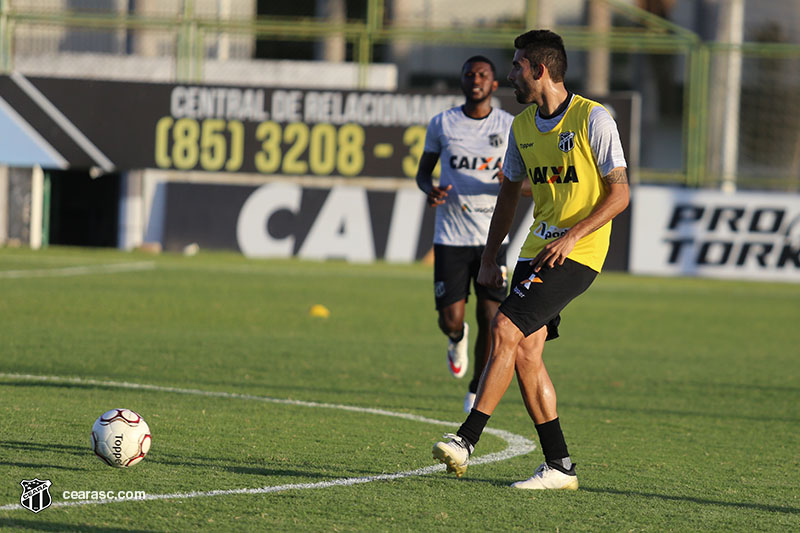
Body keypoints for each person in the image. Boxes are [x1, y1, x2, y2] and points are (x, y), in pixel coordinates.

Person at [432, 29, 630, 490]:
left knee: (504, 328)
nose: (509, 74)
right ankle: (559, 466)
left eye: (517, 65)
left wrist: (572, 236)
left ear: (540, 70)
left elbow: (620, 195)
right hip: (534, 249)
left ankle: (465, 440)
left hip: (578, 251)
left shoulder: (593, 120)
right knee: (526, 353)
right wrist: (489, 255)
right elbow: (508, 195)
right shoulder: (521, 126)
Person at [415, 56, 515, 413]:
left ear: (494, 85)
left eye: (483, 75)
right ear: (461, 81)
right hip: (450, 237)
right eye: (469, 74)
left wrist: (513, 184)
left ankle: (476, 388)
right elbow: (423, 172)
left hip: (493, 238)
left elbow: (532, 186)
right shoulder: (443, 123)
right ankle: (456, 339)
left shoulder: (510, 126)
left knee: (492, 316)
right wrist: (430, 188)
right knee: (451, 319)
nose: (475, 79)